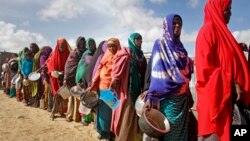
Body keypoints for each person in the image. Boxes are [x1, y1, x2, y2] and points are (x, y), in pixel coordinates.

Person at [195, 0, 250, 140]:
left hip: (228, 100)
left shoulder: (223, 33)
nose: (230, 13)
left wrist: (237, 47)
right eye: (227, 8)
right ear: (217, 9)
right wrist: (231, 81)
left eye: (230, 8)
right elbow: (204, 70)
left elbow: (224, 55)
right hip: (215, 102)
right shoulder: (207, 31)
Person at [144, 14, 193, 141]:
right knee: (171, 132)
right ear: (167, 25)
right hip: (169, 98)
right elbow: (156, 74)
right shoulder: (160, 44)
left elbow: (186, 70)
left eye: (180, 24)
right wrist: (150, 96)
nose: (177, 26)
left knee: (182, 133)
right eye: (174, 23)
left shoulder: (182, 48)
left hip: (183, 97)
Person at [109, 33, 147, 141]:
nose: (139, 41)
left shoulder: (141, 56)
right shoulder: (126, 53)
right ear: (132, 41)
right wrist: (112, 84)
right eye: (137, 39)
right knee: (126, 119)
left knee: (134, 120)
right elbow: (116, 72)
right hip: (126, 91)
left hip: (138, 92)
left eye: (141, 39)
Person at [88, 38, 121, 140]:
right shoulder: (105, 56)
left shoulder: (119, 57)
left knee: (111, 112)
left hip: (112, 89)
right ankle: (104, 133)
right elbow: (98, 70)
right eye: (109, 46)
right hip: (103, 88)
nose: (111, 48)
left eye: (113, 46)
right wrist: (93, 83)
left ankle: (108, 133)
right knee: (103, 112)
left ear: (117, 46)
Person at [47, 38, 72, 120]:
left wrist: (64, 74)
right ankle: (53, 113)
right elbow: (50, 66)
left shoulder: (68, 54)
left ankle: (61, 111)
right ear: (58, 46)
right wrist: (54, 72)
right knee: (56, 95)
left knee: (63, 96)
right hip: (55, 79)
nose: (62, 48)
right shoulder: (54, 54)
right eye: (61, 47)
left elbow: (69, 65)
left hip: (64, 78)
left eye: (64, 46)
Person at [64, 36, 86, 122]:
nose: (82, 45)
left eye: (83, 43)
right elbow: (68, 66)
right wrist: (66, 78)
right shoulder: (74, 53)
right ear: (77, 43)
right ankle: (69, 116)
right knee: (71, 98)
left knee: (78, 97)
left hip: (80, 78)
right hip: (71, 77)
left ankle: (77, 117)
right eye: (80, 43)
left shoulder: (86, 52)